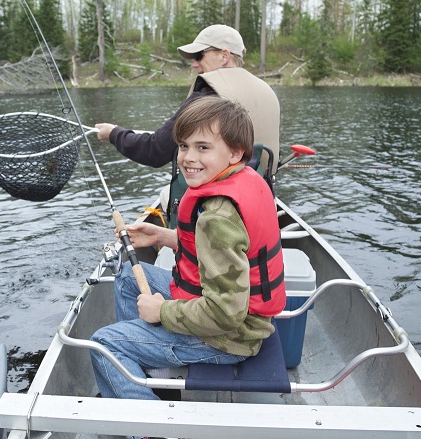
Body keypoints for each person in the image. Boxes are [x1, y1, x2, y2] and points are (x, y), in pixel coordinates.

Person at [90, 96, 286, 417]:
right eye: (183, 146)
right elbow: (221, 253)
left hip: (228, 338)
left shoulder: (217, 218)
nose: (188, 158)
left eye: (203, 147)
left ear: (235, 152)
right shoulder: (245, 178)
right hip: (234, 315)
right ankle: (148, 371)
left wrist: (162, 312)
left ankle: (152, 428)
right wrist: (162, 236)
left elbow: (224, 315)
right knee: (127, 277)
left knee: (104, 346)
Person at [94, 24, 281, 169]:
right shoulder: (266, 90)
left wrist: (113, 134)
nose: (194, 64)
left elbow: (154, 151)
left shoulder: (209, 94)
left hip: (220, 197)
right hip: (261, 190)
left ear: (224, 56)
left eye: (199, 56)